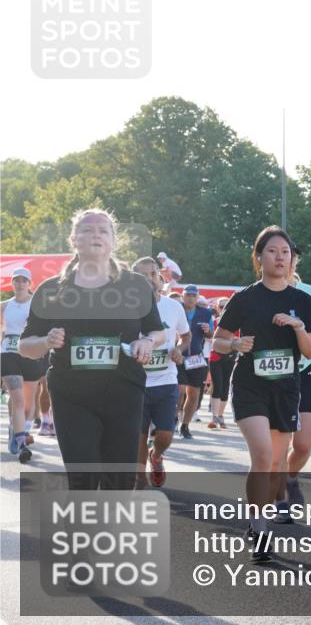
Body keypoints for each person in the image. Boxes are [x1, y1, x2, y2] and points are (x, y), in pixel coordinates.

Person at [19, 208, 165, 490]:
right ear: (74, 239)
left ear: (113, 240)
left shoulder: (135, 285)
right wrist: (46, 341)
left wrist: (147, 342)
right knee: (83, 479)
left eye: (103, 231)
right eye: (87, 230)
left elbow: (158, 331)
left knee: (120, 482)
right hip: (71, 395)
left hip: (124, 392)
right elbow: (26, 347)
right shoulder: (51, 290)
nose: (95, 235)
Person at [212, 226, 311, 562]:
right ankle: (259, 528)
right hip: (250, 386)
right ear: (259, 258)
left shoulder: (301, 300)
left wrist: (299, 327)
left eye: (285, 253)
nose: (280, 257)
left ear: (292, 260)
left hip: (286, 388)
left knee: (275, 463)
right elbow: (218, 339)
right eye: (272, 251)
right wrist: (233, 343)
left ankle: (261, 513)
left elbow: (309, 351)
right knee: (262, 456)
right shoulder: (245, 298)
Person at [132, 257, 190, 488]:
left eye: (153, 274)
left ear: (160, 277)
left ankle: (156, 456)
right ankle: (139, 478)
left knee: (165, 435)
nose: (149, 280)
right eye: (142, 276)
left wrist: (178, 349)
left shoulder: (173, 306)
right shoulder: (127, 309)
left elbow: (186, 336)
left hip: (165, 381)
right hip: (136, 384)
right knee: (138, 436)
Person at [278, 245, 311, 520]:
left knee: (304, 444)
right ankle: (280, 496)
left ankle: (290, 477)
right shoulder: (262, 292)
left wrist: (306, 338)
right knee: (278, 443)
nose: (285, 258)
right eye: (278, 252)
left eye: (290, 254)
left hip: (305, 369)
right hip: (274, 375)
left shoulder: (309, 292)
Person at [2, 267, 45, 462]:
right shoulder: (3, 306)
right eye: (16, 280)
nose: (20, 284)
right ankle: (21, 444)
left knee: (28, 405)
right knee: (17, 399)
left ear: (30, 284)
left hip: (31, 354)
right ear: (12, 283)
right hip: (8, 353)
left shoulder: (38, 305)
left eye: (24, 280)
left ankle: (16, 429)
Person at [177, 284, 214, 439]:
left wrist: (208, 330)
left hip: (197, 359)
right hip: (178, 356)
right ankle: (173, 420)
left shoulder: (205, 313)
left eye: (194, 296)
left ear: (197, 297)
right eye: (188, 295)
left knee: (194, 394)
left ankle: (185, 425)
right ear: (183, 296)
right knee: (178, 392)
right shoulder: (176, 309)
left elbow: (211, 336)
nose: (191, 298)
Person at [208, 297, 235, 428]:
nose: (224, 309)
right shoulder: (215, 322)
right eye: (221, 307)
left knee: (225, 387)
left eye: (226, 306)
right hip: (216, 357)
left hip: (230, 357)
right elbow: (211, 337)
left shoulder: (236, 323)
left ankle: (220, 415)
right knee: (217, 385)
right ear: (218, 309)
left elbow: (239, 338)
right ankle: (214, 417)